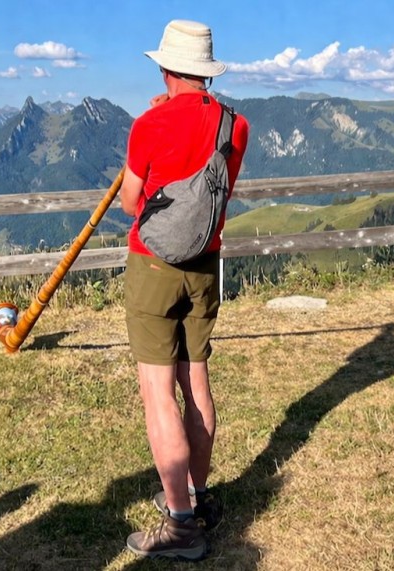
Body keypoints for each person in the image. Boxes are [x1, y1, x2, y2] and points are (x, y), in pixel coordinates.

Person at [120, 20, 249, 560]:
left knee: (158, 393)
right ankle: (195, 495)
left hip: (153, 266)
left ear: (166, 69)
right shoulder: (235, 126)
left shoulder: (148, 124)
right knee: (196, 381)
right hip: (205, 263)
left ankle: (180, 526)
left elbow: (132, 203)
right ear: (206, 72)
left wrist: (157, 119)